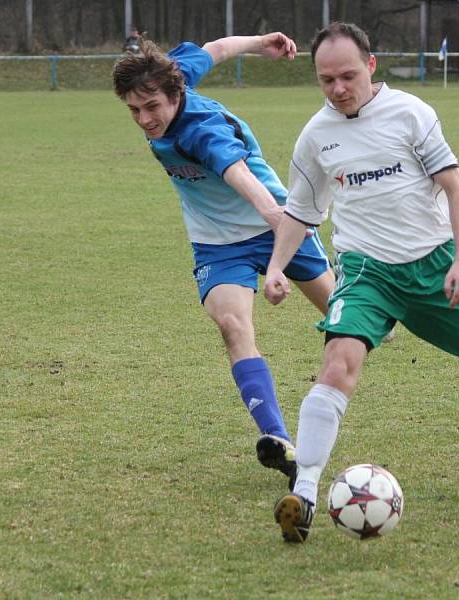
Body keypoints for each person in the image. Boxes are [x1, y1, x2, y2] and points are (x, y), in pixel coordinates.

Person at [264, 22, 459, 543]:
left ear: (371, 66)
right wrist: (275, 267)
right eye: (326, 79)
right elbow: (301, 211)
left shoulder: (411, 113)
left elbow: (455, 187)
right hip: (364, 271)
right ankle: (304, 492)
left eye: (347, 76)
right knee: (337, 363)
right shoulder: (315, 136)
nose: (337, 89)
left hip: (432, 267)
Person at [111, 34, 336, 486]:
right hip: (216, 243)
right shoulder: (167, 74)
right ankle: (279, 440)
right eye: (135, 111)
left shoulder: (199, 128)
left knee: (344, 315)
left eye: (152, 108)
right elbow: (214, 49)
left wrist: (278, 217)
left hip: (272, 225)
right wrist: (262, 43)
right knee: (233, 326)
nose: (145, 119)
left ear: (174, 96)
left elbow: (237, 171)